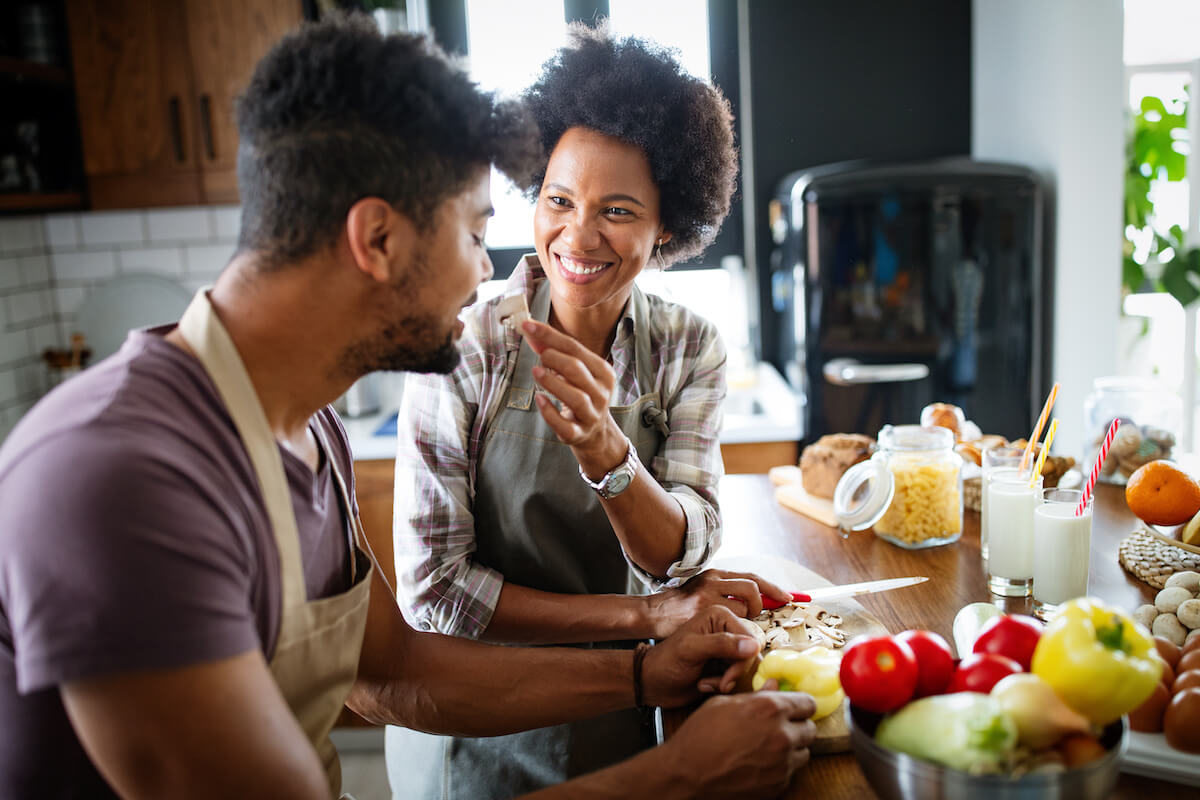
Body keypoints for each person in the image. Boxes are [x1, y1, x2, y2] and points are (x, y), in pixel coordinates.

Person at [0, 15, 817, 800]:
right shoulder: (118, 479)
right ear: (379, 240)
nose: (482, 278)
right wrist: (679, 777)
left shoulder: (303, 427)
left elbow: (393, 672)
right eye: (472, 232)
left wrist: (643, 671)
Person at [389, 23, 784, 797]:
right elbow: (435, 593)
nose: (578, 234)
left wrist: (609, 455)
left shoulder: (687, 347)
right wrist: (643, 621)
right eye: (559, 199)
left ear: (667, 227)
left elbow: (683, 555)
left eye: (618, 211)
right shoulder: (466, 343)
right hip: (478, 738)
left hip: (629, 726)